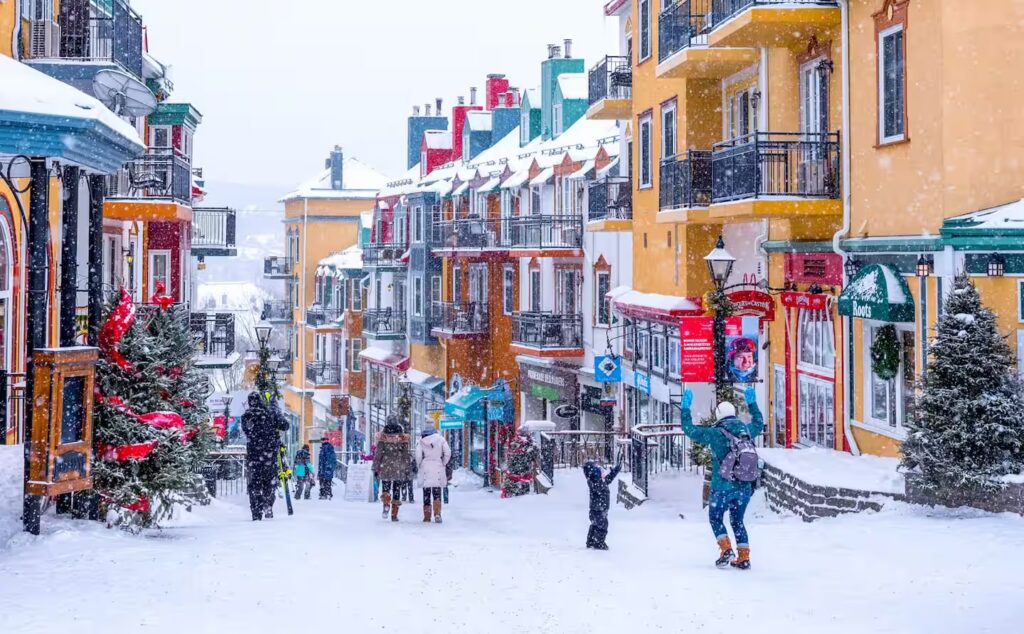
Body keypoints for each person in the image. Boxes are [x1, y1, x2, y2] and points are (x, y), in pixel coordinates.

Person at [680, 386, 763, 570]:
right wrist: (752, 403)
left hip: (722, 485)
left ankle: (726, 550)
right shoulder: (746, 431)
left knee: (716, 518)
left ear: (718, 415)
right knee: (737, 520)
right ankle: (744, 556)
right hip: (744, 486)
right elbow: (759, 423)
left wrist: (685, 408)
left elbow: (689, 430)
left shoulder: (714, 433)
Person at [240, 392, 288, 521]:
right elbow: (285, 425)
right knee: (269, 483)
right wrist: (275, 410)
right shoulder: (270, 414)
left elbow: (248, 432)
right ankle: (267, 503)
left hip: (254, 458)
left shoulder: (246, 417)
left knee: (254, 485)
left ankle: (256, 512)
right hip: (269, 456)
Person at [372, 416, 411, 521]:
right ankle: (394, 515)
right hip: (398, 466)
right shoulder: (402, 438)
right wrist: (407, 468)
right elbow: (405, 455)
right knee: (396, 489)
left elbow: (378, 454)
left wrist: (375, 468)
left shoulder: (382, 437)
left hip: (386, 466)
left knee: (386, 488)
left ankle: (386, 504)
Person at [583, 459, 621, 550]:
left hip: (599, 508)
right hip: (598, 508)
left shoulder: (597, 481)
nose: (600, 471)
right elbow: (602, 484)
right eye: (598, 470)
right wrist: (602, 478)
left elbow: (607, 480)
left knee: (595, 524)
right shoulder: (594, 482)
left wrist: (614, 472)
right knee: (602, 525)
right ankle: (599, 543)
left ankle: (591, 541)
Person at [416, 427, 451, 523]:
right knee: (437, 491)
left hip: (426, 466)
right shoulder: (441, 439)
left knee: (426, 492)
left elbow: (418, 455)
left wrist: (420, 464)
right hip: (438, 466)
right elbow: (447, 452)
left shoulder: (421, 441)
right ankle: (437, 514)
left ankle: (427, 516)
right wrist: (443, 462)